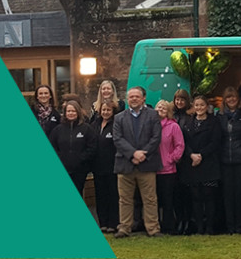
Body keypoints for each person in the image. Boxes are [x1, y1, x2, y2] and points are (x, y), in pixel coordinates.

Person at [112, 87, 162, 238]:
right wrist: (133, 153)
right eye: (131, 96)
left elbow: (156, 138)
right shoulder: (119, 117)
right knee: (125, 199)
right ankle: (124, 228)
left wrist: (142, 154)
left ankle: (153, 229)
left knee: (150, 199)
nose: (133, 99)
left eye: (136, 96)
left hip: (147, 163)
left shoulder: (153, 115)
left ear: (143, 98)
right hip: (125, 164)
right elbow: (117, 139)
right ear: (127, 99)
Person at [180, 95, 222, 235]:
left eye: (202, 105)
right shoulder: (188, 122)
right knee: (196, 197)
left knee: (209, 196)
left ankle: (209, 227)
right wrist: (191, 155)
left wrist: (201, 155)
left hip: (208, 163)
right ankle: (199, 227)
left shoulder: (214, 122)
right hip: (192, 164)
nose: (199, 108)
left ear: (207, 106)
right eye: (196, 105)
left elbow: (216, 142)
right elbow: (183, 142)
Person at [216, 87, 241, 234]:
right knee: (227, 194)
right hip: (225, 160)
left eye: (233, 97)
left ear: (238, 98)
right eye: (228, 97)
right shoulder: (220, 116)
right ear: (225, 100)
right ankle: (230, 227)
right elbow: (217, 137)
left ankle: (240, 226)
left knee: (240, 193)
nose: (231, 100)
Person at [49, 100, 97, 196]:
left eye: (73, 111)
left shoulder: (86, 128)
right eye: (68, 111)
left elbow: (92, 147)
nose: (71, 113)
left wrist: (81, 158)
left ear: (78, 112)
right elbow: (53, 146)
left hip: (80, 170)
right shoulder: (58, 130)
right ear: (65, 113)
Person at [154, 100, 185, 234]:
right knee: (154, 200)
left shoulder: (173, 126)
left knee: (168, 200)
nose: (161, 109)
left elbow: (180, 145)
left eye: (164, 108)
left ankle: (169, 226)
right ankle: (155, 226)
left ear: (168, 112)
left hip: (168, 170)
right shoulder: (151, 126)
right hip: (152, 169)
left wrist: (171, 159)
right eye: (158, 107)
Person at [91, 101, 119, 233]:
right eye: (103, 110)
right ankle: (102, 222)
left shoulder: (116, 125)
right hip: (97, 167)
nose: (105, 112)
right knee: (100, 196)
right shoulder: (95, 124)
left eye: (108, 110)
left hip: (112, 167)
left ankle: (113, 223)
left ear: (113, 111)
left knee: (113, 195)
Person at [172, 89, 194, 235]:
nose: (179, 102)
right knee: (175, 193)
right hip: (173, 161)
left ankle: (188, 221)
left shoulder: (190, 117)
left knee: (187, 193)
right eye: (177, 100)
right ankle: (179, 220)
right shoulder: (171, 116)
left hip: (186, 160)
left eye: (182, 100)